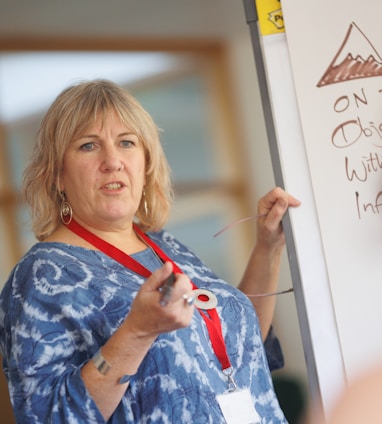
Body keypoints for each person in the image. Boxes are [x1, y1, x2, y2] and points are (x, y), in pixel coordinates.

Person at [0, 79, 300, 423]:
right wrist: (137, 332)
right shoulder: (42, 275)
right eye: (88, 146)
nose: (112, 161)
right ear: (56, 174)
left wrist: (269, 246)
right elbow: (51, 416)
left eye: (126, 142)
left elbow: (244, 352)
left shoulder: (165, 245)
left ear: (146, 163)